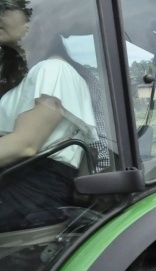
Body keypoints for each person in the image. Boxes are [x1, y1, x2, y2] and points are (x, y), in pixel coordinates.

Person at [0, 0, 100, 232]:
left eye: (5, 7)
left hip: (33, 193)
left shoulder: (53, 70)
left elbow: (25, 145)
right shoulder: (30, 75)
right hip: (19, 183)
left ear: (36, 22)